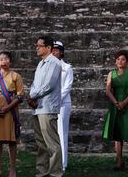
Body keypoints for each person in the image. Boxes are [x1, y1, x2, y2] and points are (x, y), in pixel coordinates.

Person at [27, 35, 63, 177]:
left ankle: (55, 173)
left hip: (47, 106)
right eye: (36, 45)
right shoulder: (40, 63)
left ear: (48, 47)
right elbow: (35, 84)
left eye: (39, 45)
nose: (37, 48)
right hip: (38, 107)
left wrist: (33, 96)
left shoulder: (54, 63)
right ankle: (42, 171)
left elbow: (49, 85)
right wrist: (31, 95)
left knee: (52, 142)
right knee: (41, 143)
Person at [52, 40, 73, 172]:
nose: (54, 52)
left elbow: (67, 87)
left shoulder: (67, 68)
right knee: (50, 133)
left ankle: (63, 164)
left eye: (56, 50)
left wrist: (57, 99)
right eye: (52, 50)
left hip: (62, 103)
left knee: (61, 132)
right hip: (49, 103)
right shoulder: (47, 67)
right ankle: (53, 161)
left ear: (61, 52)